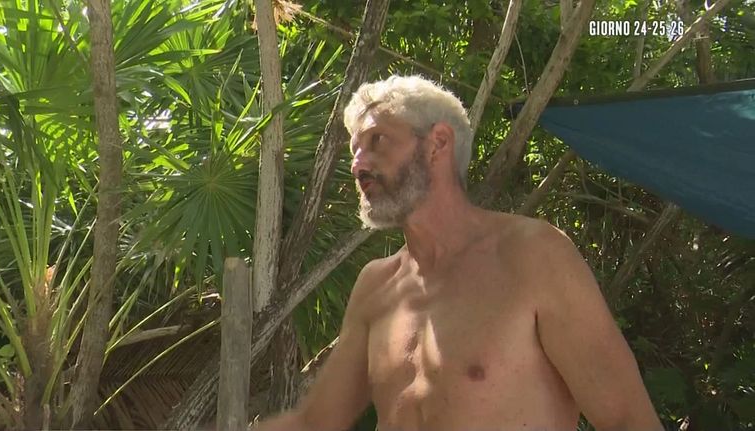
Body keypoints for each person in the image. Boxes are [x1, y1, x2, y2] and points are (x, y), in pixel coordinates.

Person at [254, 75, 663, 431]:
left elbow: (629, 421)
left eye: (377, 140)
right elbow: (315, 422)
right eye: (354, 150)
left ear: (438, 143)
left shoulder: (534, 256)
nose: (358, 165)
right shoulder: (376, 285)